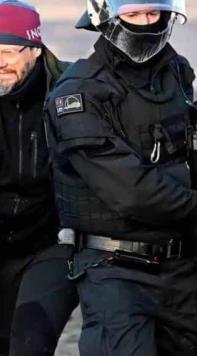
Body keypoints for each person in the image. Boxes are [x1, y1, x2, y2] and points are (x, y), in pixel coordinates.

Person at [44, 1, 197, 355]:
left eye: (153, 14)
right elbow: (130, 191)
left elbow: (194, 157)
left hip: (183, 265)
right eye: (133, 15)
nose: (146, 24)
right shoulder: (78, 92)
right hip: (115, 270)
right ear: (106, 17)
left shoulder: (176, 73)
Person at [0, 1, 77, 355]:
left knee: (29, 343)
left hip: (50, 241)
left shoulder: (69, 93)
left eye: (9, 51)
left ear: (34, 49)